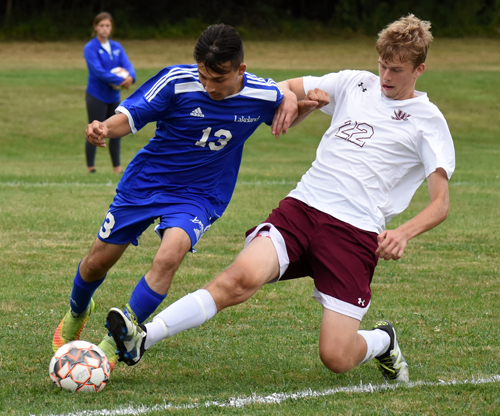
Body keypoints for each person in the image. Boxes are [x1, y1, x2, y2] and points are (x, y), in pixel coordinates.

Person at [105, 14, 455, 382]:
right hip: (303, 208)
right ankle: (143, 337)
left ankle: (383, 341)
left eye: (397, 70)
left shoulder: (427, 121)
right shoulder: (355, 83)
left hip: (355, 231)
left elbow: (441, 203)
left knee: (336, 356)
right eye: (382, 65)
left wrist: (403, 233)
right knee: (238, 279)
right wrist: (291, 101)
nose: (385, 77)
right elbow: (281, 86)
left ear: (419, 69)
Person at [52, 23, 298, 371]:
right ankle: (79, 310)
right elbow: (131, 116)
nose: (210, 86)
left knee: (170, 255)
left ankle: (114, 341)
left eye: (219, 79)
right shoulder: (176, 81)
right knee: (96, 263)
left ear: (241, 69)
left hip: (199, 195)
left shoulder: (261, 94)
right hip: (147, 183)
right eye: (203, 77)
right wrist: (104, 128)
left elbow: (287, 104)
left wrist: (291, 99)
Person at [84, 12, 136, 174]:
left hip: (114, 96)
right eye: (101, 26)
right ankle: (91, 167)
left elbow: (128, 65)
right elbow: (98, 71)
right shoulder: (90, 48)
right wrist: (119, 80)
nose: (105, 29)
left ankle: (117, 167)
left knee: (116, 131)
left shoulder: (116, 47)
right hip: (96, 95)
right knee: (94, 129)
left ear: (111, 28)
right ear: (95, 27)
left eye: (107, 26)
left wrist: (131, 77)